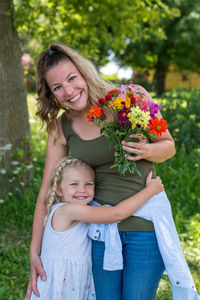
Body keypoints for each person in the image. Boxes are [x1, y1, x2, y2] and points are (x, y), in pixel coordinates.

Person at [26, 43, 176, 300]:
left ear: (84, 72)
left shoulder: (130, 98)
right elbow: (47, 191)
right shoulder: (61, 128)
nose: (69, 91)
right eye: (57, 87)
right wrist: (34, 251)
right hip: (99, 232)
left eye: (72, 78)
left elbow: (168, 146)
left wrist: (145, 151)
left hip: (145, 226)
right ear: (51, 94)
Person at [30, 156, 164, 300]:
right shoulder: (68, 211)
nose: (82, 190)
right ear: (59, 190)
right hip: (62, 283)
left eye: (88, 184)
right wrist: (150, 190)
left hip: (73, 280)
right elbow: (116, 213)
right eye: (74, 184)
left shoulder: (78, 209)